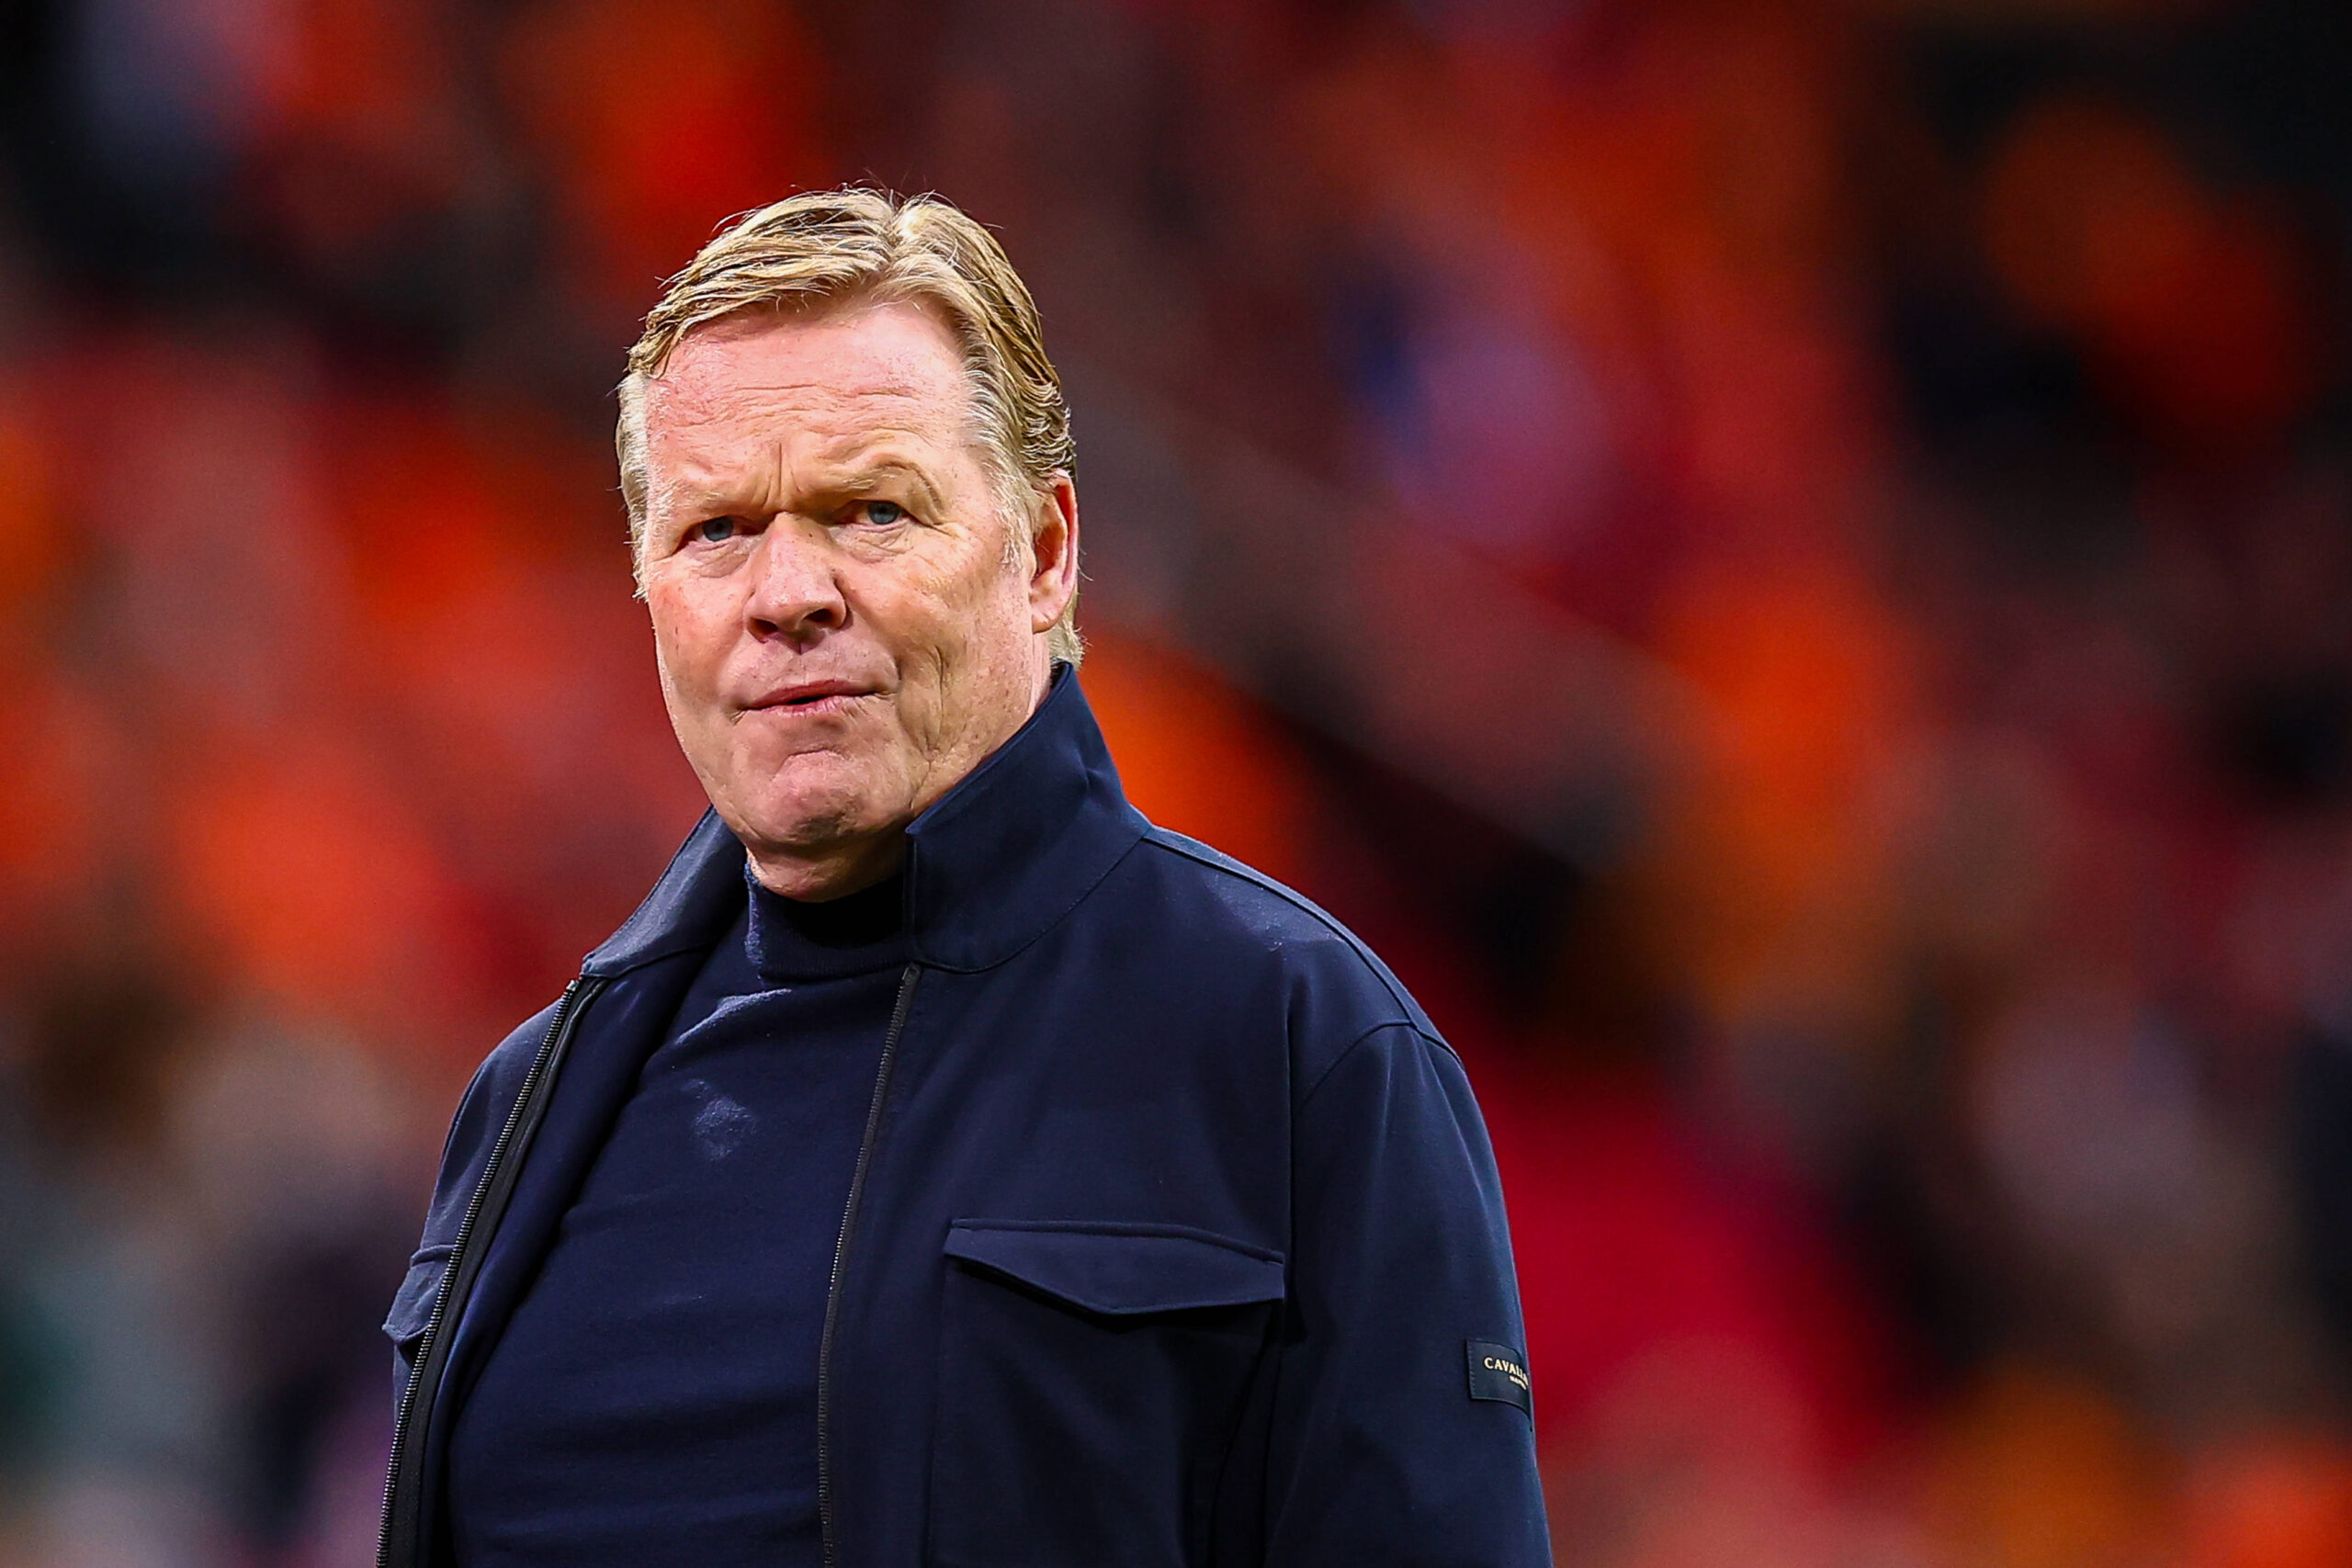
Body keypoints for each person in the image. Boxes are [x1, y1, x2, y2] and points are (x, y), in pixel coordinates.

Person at [379, 186, 1550, 1568]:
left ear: (1046, 553)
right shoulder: (531, 1097)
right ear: (648, 590)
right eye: (715, 531)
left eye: (871, 509)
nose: (786, 592)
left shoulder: (1300, 1044)